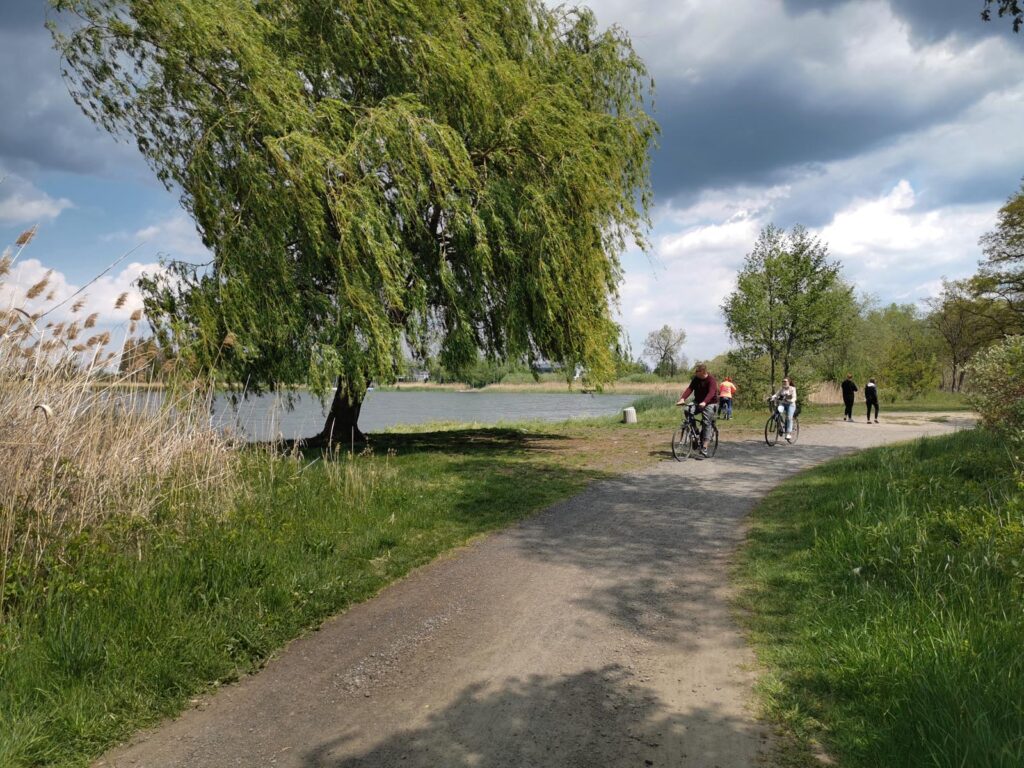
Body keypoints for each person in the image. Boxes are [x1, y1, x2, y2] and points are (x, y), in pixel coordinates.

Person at [676, 363, 719, 456]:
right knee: (687, 410)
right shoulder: (696, 379)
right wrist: (682, 399)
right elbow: (690, 389)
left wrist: (705, 402)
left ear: (703, 372)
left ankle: (705, 447)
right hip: (698, 401)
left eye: (697, 371)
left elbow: (711, 393)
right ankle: (695, 431)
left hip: (710, 403)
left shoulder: (711, 380)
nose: (695, 373)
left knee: (706, 422)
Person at [772, 377, 797, 442]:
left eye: (785, 381)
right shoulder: (782, 388)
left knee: (789, 418)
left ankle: (788, 433)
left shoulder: (792, 389)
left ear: (789, 382)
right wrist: (772, 397)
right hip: (783, 404)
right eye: (783, 381)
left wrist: (791, 400)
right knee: (776, 414)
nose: (784, 383)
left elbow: (794, 397)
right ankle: (780, 427)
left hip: (791, 405)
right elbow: (776, 394)